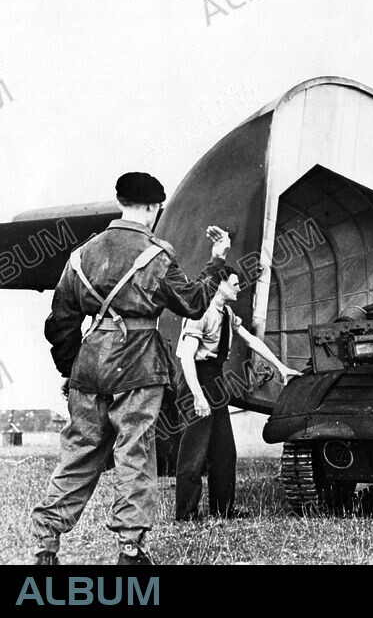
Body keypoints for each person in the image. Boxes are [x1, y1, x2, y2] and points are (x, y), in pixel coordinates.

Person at [31, 172, 230, 566]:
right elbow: (192, 303)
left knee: (79, 455)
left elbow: (60, 323)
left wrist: (71, 370)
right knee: (134, 454)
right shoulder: (156, 255)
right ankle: (130, 552)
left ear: (120, 200)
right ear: (156, 207)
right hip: (138, 369)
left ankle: (45, 546)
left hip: (88, 369)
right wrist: (217, 260)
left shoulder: (81, 254)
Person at [175, 267, 301, 521]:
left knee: (224, 450)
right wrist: (198, 396)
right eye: (234, 283)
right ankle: (186, 514)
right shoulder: (200, 313)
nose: (238, 288)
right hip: (196, 379)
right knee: (194, 451)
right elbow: (186, 358)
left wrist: (280, 367)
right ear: (219, 285)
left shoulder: (227, 313)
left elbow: (252, 341)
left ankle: (223, 509)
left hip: (215, 380)